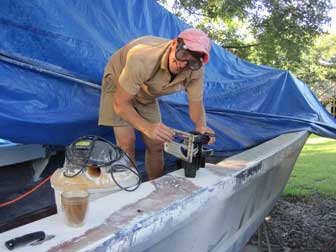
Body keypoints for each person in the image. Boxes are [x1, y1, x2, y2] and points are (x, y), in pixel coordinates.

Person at [99, 28, 215, 180]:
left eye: (192, 62)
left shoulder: (196, 71)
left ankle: (155, 189)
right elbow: (120, 104)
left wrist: (201, 126)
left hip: (146, 93)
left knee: (157, 145)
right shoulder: (143, 57)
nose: (183, 64)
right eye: (183, 55)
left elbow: (196, 103)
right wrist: (147, 127)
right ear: (174, 44)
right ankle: (130, 189)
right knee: (127, 144)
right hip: (118, 85)